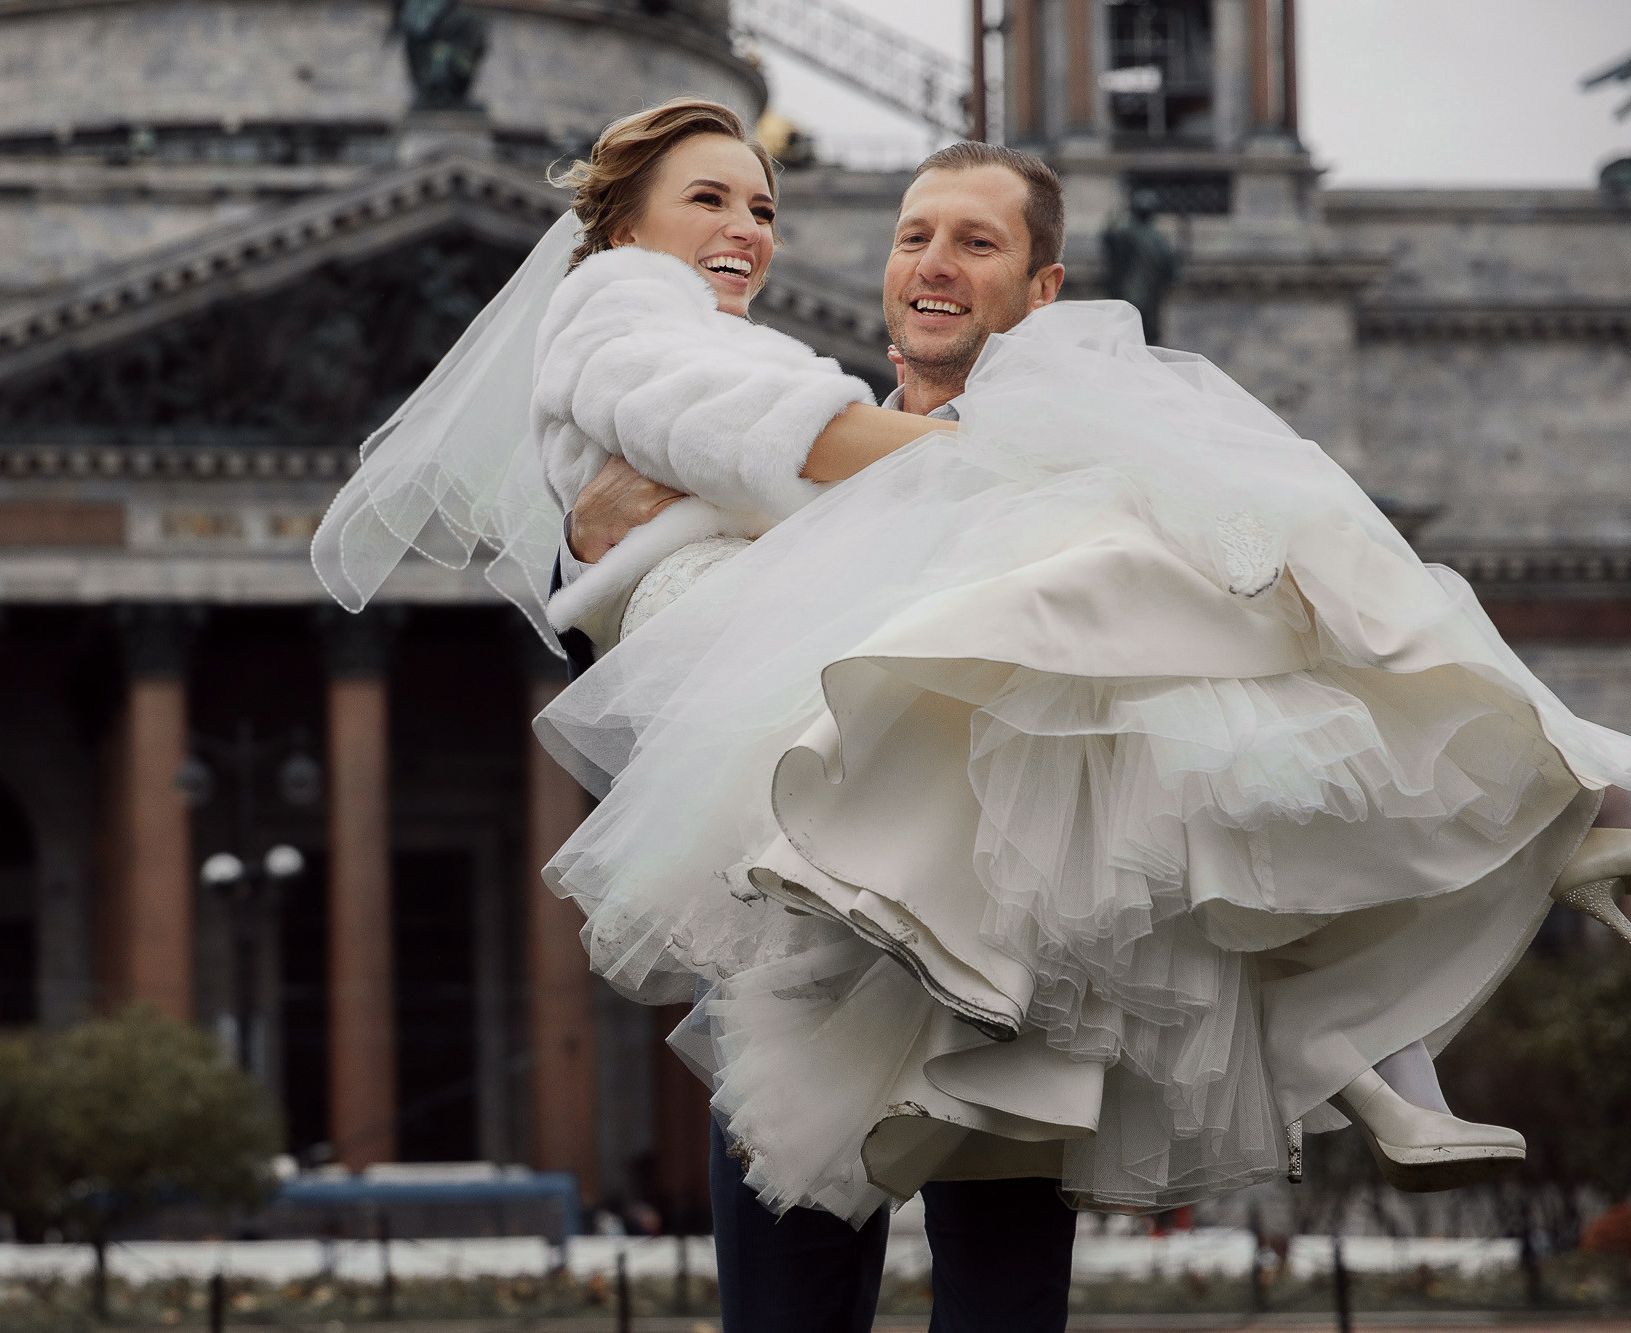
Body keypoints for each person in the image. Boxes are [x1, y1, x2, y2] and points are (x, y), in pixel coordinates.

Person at [313, 99, 1631, 1330]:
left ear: (1042, 288)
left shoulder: (777, 376)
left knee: (1193, 657)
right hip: (812, 826)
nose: (748, 230)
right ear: (619, 230)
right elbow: (792, 448)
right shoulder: (643, 330)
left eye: (765, 209)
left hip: (982, 884)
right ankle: (1415, 990)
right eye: (712, 199)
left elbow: (781, 475)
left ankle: (1407, 993)